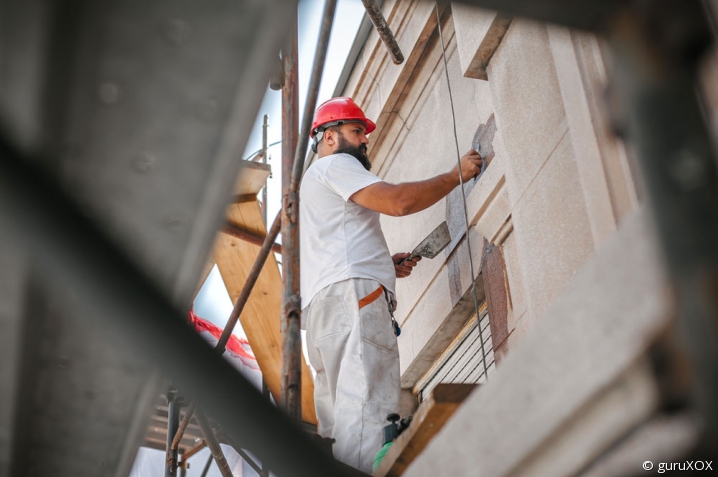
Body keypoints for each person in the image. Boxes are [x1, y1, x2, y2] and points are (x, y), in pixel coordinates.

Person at [300, 97, 482, 473]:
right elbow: (398, 202)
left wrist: (383, 263)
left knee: (338, 424)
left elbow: (339, 241)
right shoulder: (336, 164)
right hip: (352, 300)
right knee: (366, 410)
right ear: (328, 137)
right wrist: (454, 176)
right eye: (356, 131)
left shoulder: (309, 186)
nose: (364, 140)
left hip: (323, 312)